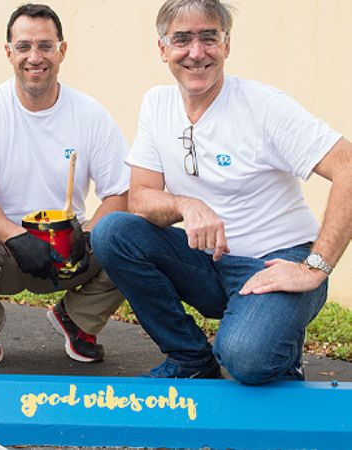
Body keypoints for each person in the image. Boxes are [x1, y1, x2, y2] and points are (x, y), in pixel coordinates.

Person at [92, 0, 352, 384]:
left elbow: (348, 165)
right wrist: (186, 204)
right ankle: (190, 359)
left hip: (277, 262)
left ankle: (279, 348)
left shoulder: (264, 107)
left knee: (247, 359)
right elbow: (141, 197)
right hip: (208, 261)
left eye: (208, 37)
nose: (196, 52)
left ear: (226, 45)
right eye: (182, 39)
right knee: (112, 232)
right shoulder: (157, 104)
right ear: (163, 48)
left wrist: (314, 267)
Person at [0, 3, 129, 366]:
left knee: (131, 238)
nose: (34, 57)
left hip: (67, 245)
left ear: (62, 51)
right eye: (23, 46)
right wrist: (16, 237)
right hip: (2, 244)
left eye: (45, 45)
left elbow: (119, 193)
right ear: (8, 53)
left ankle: (78, 320)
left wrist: (87, 235)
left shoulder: (90, 114)